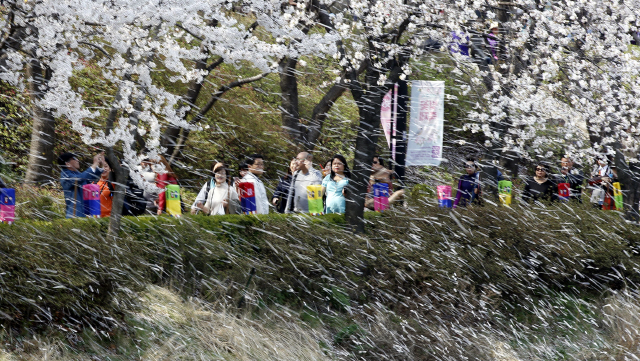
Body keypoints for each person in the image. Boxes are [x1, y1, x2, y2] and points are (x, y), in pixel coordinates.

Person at [58, 152, 103, 218]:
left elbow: (89, 177)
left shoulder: (76, 174)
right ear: (67, 164)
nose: (77, 160)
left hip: (84, 213)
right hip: (75, 215)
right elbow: (79, 179)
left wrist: (102, 165)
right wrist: (94, 164)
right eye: (74, 158)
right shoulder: (65, 176)